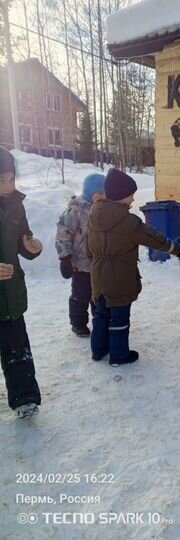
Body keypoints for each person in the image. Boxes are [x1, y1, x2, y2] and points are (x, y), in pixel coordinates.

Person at [86, 168, 180, 366]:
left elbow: (87, 247)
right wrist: (177, 249)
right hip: (120, 278)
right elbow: (154, 238)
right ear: (122, 196)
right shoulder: (128, 222)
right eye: (131, 195)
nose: (133, 200)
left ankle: (98, 350)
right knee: (119, 318)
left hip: (98, 275)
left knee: (100, 315)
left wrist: (96, 259)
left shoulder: (93, 215)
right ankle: (118, 355)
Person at [0, 147, 43, 418]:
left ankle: (25, 396)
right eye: (1, 180)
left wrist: (32, 246)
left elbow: (23, 241)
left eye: (11, 179)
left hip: (11, 293)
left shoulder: (16, 205)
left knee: (17, 347)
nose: (7, 186)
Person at [55, 173, 106, 337]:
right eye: (102, 193)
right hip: (79, 265)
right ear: (92, 193)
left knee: (98, 295)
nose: (105, 196)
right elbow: (63, 232)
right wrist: (65, 257)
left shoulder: (103, 209)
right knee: (80, 295)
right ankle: (78, 323)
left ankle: (100, 321)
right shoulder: (76, 209)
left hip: (98, 264)